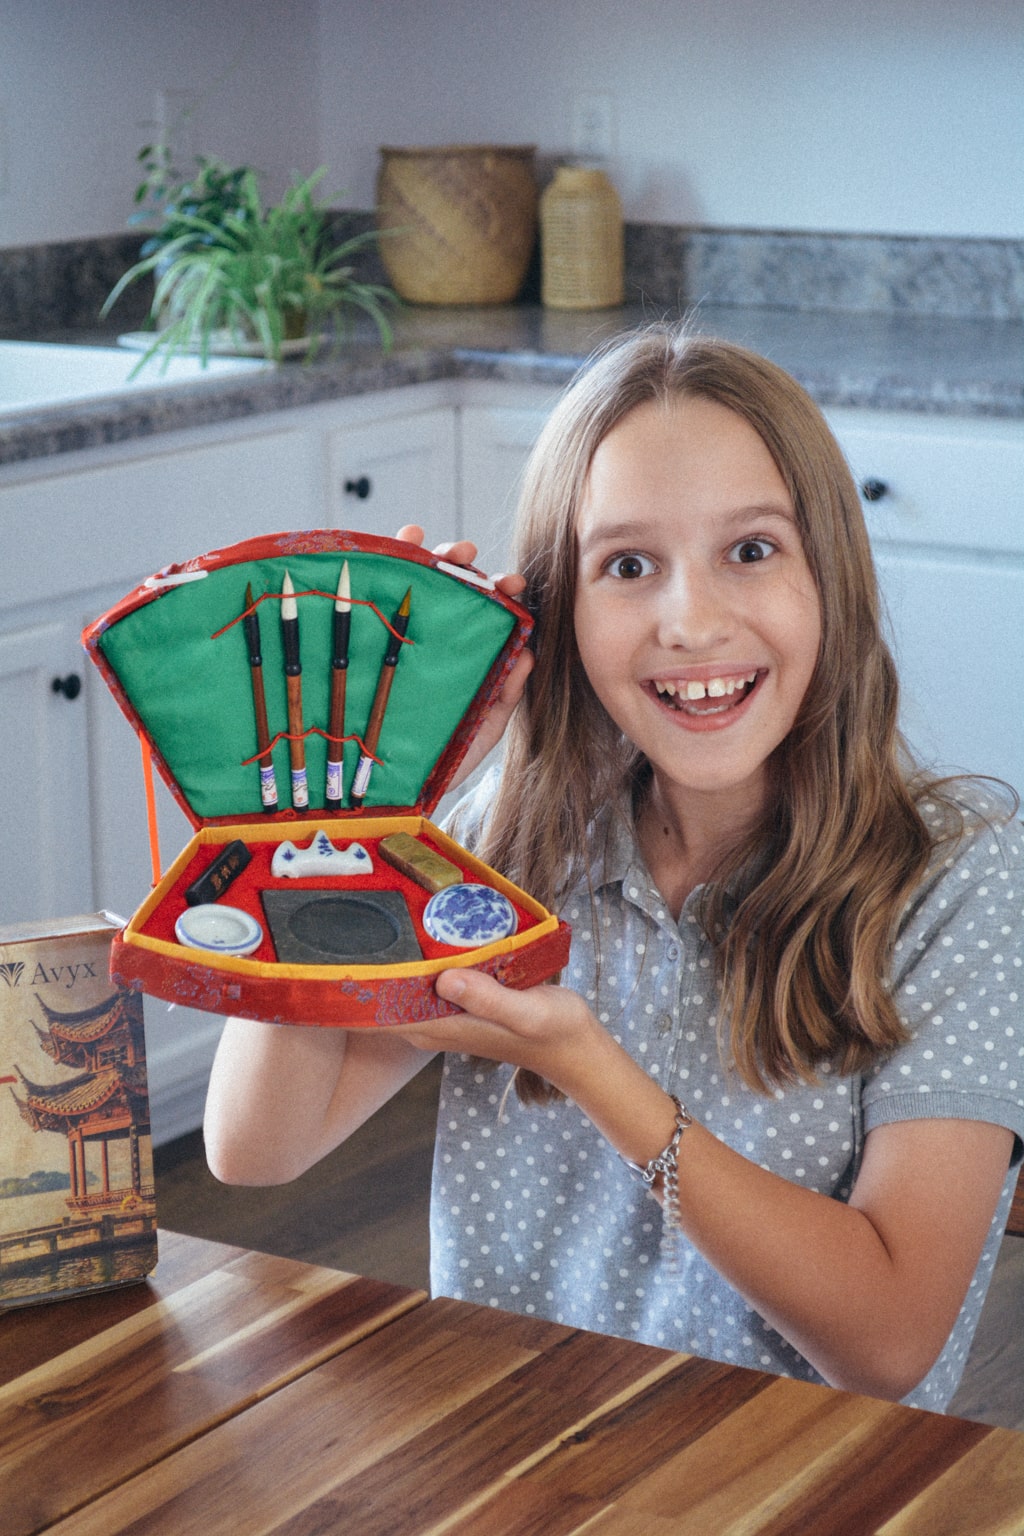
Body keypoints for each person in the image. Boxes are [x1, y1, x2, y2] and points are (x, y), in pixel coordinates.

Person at [204, 326, 1023, 1412]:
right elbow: (254, 1148)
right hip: (525, 1464)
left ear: (832, 573)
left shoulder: (957, 879)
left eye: (751, 549)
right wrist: (366, 804)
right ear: (555, 612)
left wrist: (596, 1072)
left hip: (811, 1489)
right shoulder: (513, 840)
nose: (691, 622)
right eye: (627, 566)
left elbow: (887, 1342)